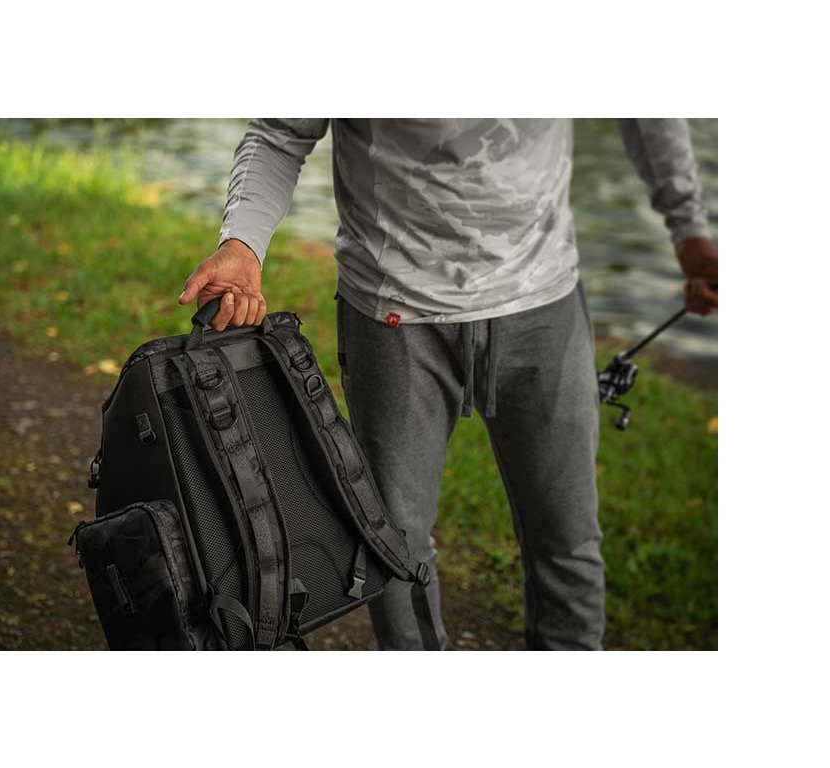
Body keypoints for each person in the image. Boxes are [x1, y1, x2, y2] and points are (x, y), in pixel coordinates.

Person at [178, 119, 717, 650]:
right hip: (393, 311)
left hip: (543, 303)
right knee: (395, 545)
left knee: (568, 540)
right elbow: (280, 132)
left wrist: (688, 227)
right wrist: (243, 243)